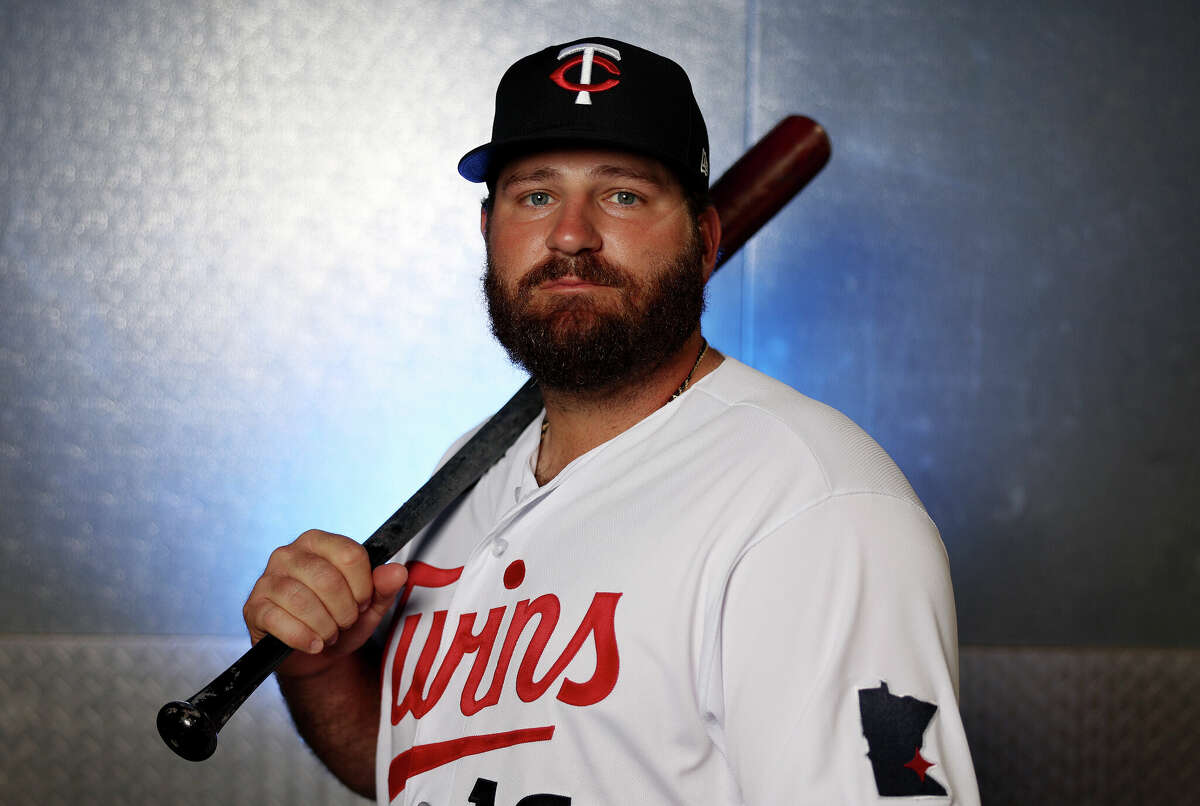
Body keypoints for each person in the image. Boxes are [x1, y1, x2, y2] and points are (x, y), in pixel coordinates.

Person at [242, 36, 981, 805]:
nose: (570, 235)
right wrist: (319, 669)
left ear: (706, 241)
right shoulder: (468, 471)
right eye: (535, 195)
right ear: (487, 229)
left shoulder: (812, 508)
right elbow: (430, 772)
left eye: (622, 194)